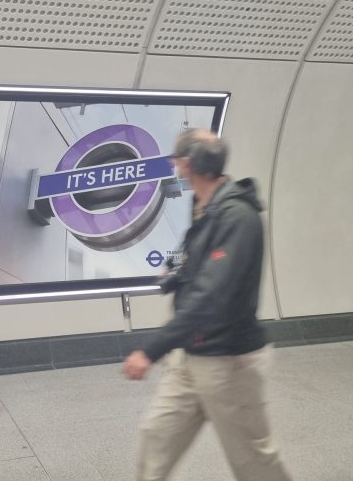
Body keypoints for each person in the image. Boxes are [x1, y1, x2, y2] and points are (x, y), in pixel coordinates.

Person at [123, 129, 292, 481]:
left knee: (254, 462)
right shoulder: (204, 207)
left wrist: (150, 350)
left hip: (229, 362)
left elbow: (212, 295)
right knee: (156, 438)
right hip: (190, 356)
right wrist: (177, 273)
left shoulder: (237, 217)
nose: (175, 166)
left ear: (187, 165)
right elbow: (199, 264)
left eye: (177, 160)